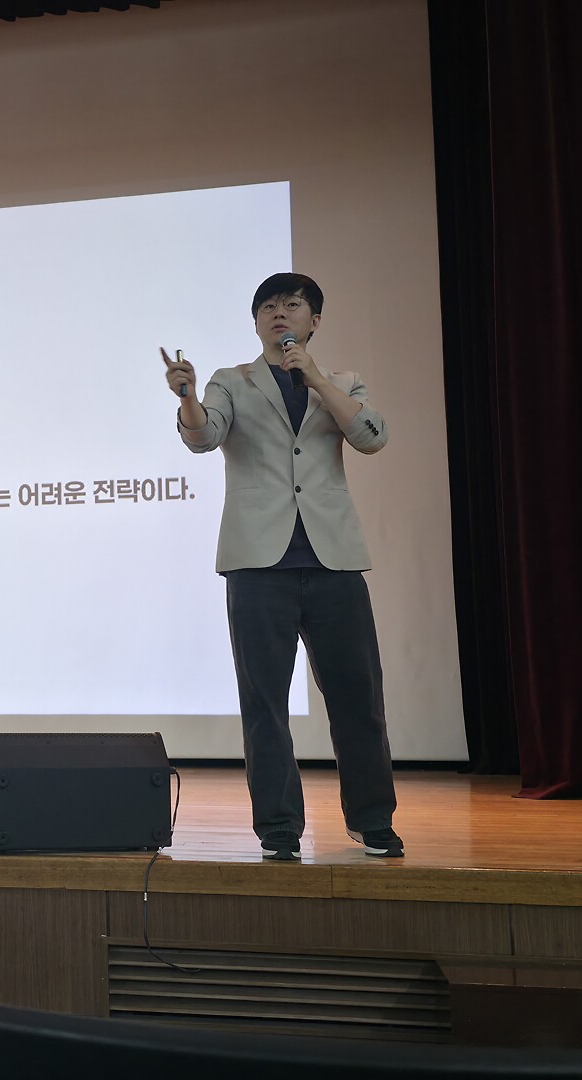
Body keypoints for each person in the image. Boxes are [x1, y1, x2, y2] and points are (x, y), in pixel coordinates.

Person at [162, 272, 401, 860]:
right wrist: (188, 397)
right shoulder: (230, 381)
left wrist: (315, 378)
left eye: (292, 305)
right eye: (268, 306)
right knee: (264, 703)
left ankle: (373, 820)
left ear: (313, 321)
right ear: (256, 322)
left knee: (357, 698)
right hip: (257, 565)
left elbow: (372, 437)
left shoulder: (340, 382)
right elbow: (203, 438)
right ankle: (278, 827)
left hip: (333, 561)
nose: (279, 313)